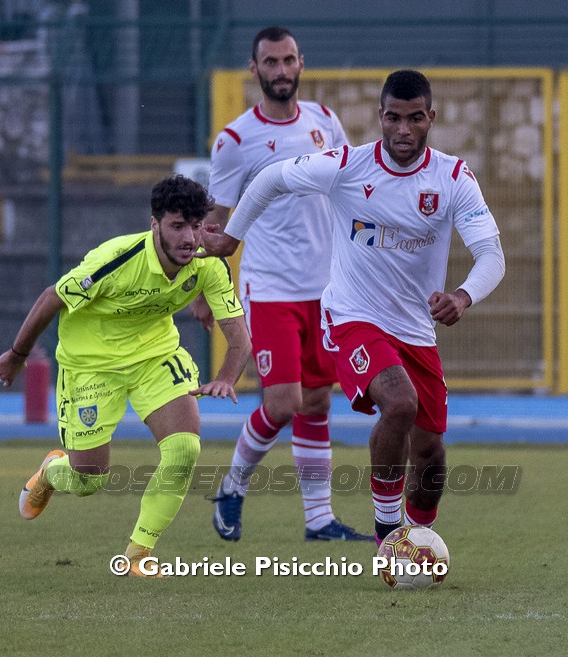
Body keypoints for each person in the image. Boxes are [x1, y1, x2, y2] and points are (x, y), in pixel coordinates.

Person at [200, 70, 506, 544]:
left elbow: (492, 255)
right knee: (397, 404)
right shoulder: (347, 165)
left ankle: (417, 538)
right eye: (393, 118)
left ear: (431, 118)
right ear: (380, 116)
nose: (403, 129)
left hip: (415, 329)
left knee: (431, 457)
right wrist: (233, 237)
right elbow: (270, 179)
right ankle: (388, 534)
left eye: (415, 118)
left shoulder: (452, 177)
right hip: (351, 317)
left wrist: (462, 295)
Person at [0, 175, 251, 576]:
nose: (188, 238)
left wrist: (227, 378)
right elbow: (51, 298)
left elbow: (240, 340)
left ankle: (138, 555)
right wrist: (16, 356)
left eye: (196, 226)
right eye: (177, 226)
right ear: (154, 224)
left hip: (154, 357)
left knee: (184, 450)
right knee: (89, 480)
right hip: (91, 364)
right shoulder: (117, 259)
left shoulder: (208, 263)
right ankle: (52, 473)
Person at [193, 26, 368, 542]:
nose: (281, 70)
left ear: (301, 63)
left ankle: (319, 520)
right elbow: (216, 222)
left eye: (288, 60)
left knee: (317, 402)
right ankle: (231, 488)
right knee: (283, 404)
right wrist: (204, 289)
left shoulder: (324, 121)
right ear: (255, 70)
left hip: (326, 289)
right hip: (270, 289)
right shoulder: (234, 140)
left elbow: (351, 186)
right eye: (270, 62)